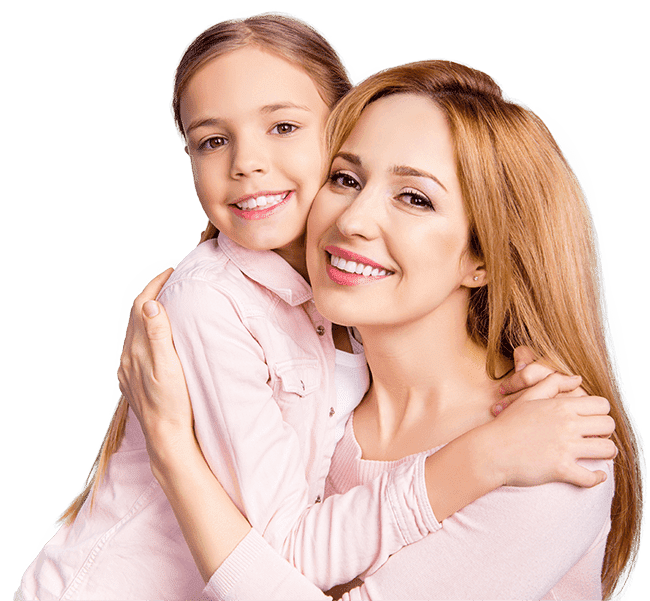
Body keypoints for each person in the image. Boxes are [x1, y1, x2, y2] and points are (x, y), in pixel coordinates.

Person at [14, 15, 622, 601]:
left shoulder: (550, 451)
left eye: (414, 197)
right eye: (346, 178)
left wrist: (175, 449)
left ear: (483, 254)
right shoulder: (320, 385)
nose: (353, 220)